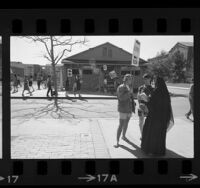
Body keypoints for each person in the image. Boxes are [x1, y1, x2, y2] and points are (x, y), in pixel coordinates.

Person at [141, 76, 174, 157]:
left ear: (157, 83)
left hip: (154, 118)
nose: (154, 83)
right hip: (163, 118)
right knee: (160, 135)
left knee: (151, 134)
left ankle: (151, 151)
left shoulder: (156, 92)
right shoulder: (166, 93)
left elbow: (152, 105)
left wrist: (146, 100)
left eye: (155, 82)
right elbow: (167, 107)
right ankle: (160, 151)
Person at [114, 74, 135, 148]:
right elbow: (121, 98)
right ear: (125, 79)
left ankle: (123, 136)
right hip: (123, 109)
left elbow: (130, 97)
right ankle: (117, 141)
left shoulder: (129, 87)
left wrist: (133, 102)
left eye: (131, 79)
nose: (131, 80)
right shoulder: (121, 87)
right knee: (121, 124)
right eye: (129, 79)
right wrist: (129, 92)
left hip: (129, 108)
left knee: (126, 123)